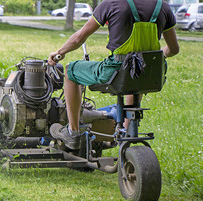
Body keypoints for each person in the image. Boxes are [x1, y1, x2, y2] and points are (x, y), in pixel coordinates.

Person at [48, 0, 180, 150]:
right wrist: (150, 58)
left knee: (71, 70)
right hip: (150, 74)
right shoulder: (162, 6)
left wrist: (59, 53)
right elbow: (173, 49)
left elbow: (79, 38)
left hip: (115, 71)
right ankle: (126, 132)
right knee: (136, 74)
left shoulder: (111, 4)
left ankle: (73, 132)